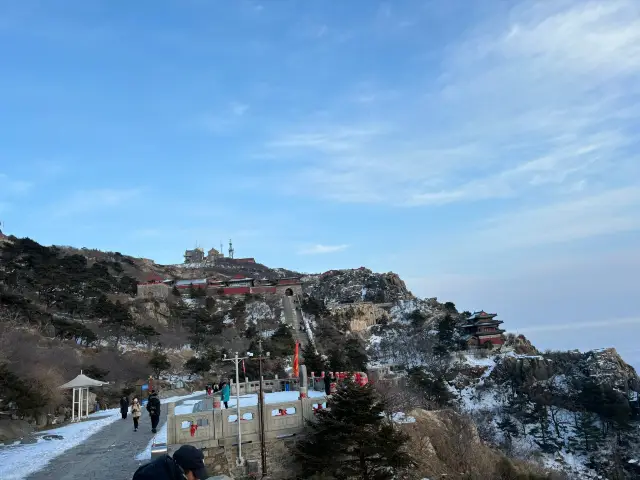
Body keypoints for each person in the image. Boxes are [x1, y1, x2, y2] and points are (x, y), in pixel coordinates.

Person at [132, 444, 208, 480]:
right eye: (195, 475)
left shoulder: (172, 470)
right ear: (183, 469)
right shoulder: (152, 476)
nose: (197, 479)